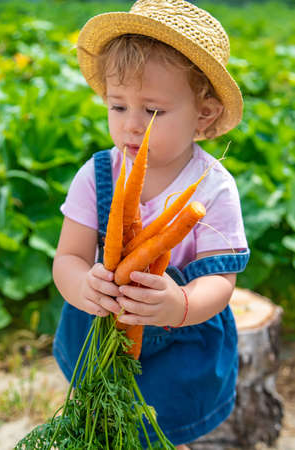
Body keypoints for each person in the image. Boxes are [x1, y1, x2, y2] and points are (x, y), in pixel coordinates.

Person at [52, 1, 250, 448]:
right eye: (118, 106)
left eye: (153, 111)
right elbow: (68, 257)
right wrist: (83, 286)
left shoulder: (213, 189)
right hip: (99, 332)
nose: (131, 126)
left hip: (178, 343)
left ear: (204, 114)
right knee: (96, 421)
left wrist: (180, 304)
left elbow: (221, 278)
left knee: (160, 432)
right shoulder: (97, 175)